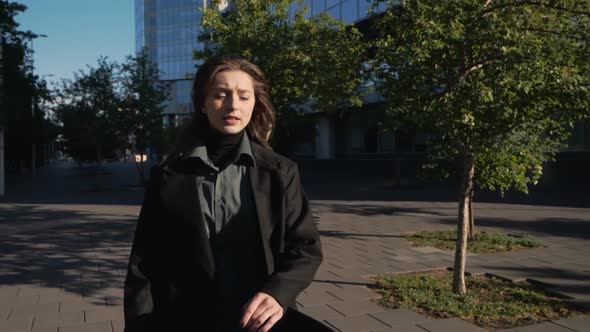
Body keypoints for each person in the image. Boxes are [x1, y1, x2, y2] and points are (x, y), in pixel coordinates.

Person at [123, 56, 324, 332]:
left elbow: (305, 248)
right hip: (185, 320)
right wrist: (139, 324)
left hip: (257, 323)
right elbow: (144, 262)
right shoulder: (169, 174)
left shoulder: (279, 172)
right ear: (203, 104)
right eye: (220, 95)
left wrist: (278, 294)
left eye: (244, 97)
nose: (233, 106)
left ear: (255, 104)